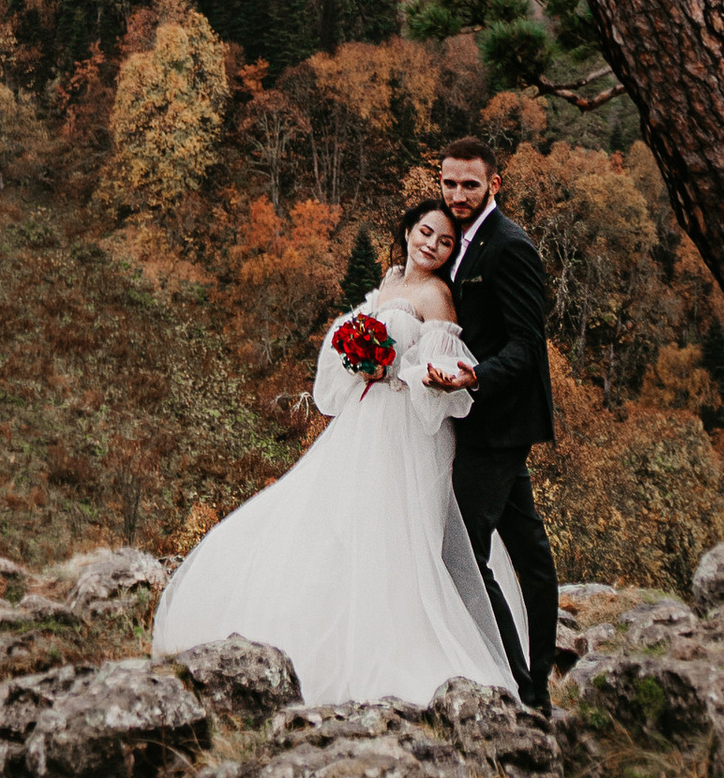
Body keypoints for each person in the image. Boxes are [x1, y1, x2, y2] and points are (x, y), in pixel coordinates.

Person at [148, 200, 527, 707]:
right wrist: (359, 360)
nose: (432, 246)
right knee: (339, 520)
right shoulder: (390, 282)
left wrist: (395, 370)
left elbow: (440, 369)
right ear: (407, 230)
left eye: (445, 242)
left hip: (405, 426)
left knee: (392, 528)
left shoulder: (437, 295)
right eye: (425, 232)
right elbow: (350, 340)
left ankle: (391, 642)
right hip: (365, 419)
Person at [435, 134, 559, 711]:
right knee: (529, 551)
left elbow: (528, 345)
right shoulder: (459, 240)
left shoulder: (511, 246)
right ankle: (537, 680)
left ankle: (519, 682)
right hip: (477, 420)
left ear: (494, 184)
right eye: (449, 183)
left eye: (470, 185)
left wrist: (474, 378)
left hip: (499, 424)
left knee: (461, 553)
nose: (458, 194)